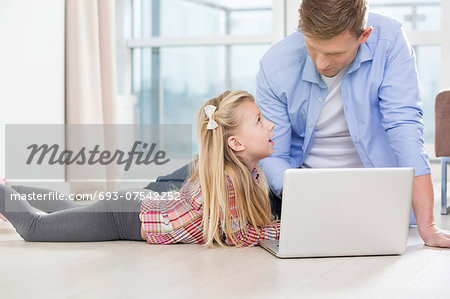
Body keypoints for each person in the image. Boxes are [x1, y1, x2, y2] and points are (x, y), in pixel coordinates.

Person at [255, 0, 450, 248]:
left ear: (364, 36)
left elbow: (405, 129)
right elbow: (272, 153)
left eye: (335, 53)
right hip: (307, 201)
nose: (321, 63)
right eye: (313, 48)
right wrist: (309, 203)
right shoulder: (276, 64)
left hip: (380, 199)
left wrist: (428, 226)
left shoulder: (389, 41)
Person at [0, 90, 280, 247]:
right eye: (259, 120)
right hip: (122, 217)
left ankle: (11, 189)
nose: (270, 125)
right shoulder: (227, 179)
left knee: (68, 207)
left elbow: (241, 228)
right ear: (235, 142)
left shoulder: (252, 174)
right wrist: (279, 231)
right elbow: (237, 236)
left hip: (133, 207)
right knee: (35, 228)